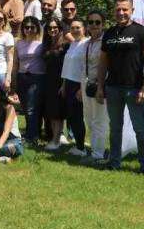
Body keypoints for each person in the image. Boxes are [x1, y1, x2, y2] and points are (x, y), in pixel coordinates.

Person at [97, 0, 144, 173]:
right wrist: (100, 86)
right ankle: (114, 162)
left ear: (132, 10)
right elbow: (103, 62)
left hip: (135, 88)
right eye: (118, 9)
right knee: (115, 128)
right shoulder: (109, 33)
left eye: (125, 9)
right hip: (112, 88)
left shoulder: (142, 32)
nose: (121, 13)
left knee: (140, 128)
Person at [14, 16, 45, 145]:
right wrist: (13, 79)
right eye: (26, 27)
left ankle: (32, 137)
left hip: (36, 77)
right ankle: (31, 133)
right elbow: (16, 63)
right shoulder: (18, 43)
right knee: (25, 107)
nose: (29, 30)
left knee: (32, 107)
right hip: (22, 77)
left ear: (37, 28)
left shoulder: (41, 43)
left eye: (32, 27)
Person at [82, 10, 109, 161]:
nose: (94, 25)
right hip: (87, 84)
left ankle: (98, 154)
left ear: (103, 24)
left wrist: (101, 86)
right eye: (91, 22)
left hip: (100, 85)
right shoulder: (86, 43)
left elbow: (109, 66)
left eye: (97, 22)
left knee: (99, 120)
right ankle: (95, 149)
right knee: (89, 119)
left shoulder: (106, 42)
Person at [61, 19, 88, 157]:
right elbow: (67, 66)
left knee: (77, 117)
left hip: (79, 85)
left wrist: (82, 88)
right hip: (69, 84)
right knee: (71, 116)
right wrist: (63, 85)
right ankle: (78, 143)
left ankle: (81, 148)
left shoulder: (86, 44)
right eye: (72, 28)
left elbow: (86, 68)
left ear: (84, 29)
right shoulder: (72, 44)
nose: (75, 30)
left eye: (78, 27)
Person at [41, 18, 68, 152]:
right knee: (51, 112)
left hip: (60, 81)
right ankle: (55, 138)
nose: (52, 30)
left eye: (55, 27)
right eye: (49, 28)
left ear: (60, 28)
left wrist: (64, 85)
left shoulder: (65, 45)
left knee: (57, 113)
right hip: (48, 81)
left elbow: (67, 66)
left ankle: (56, 140)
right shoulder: (47, 43)